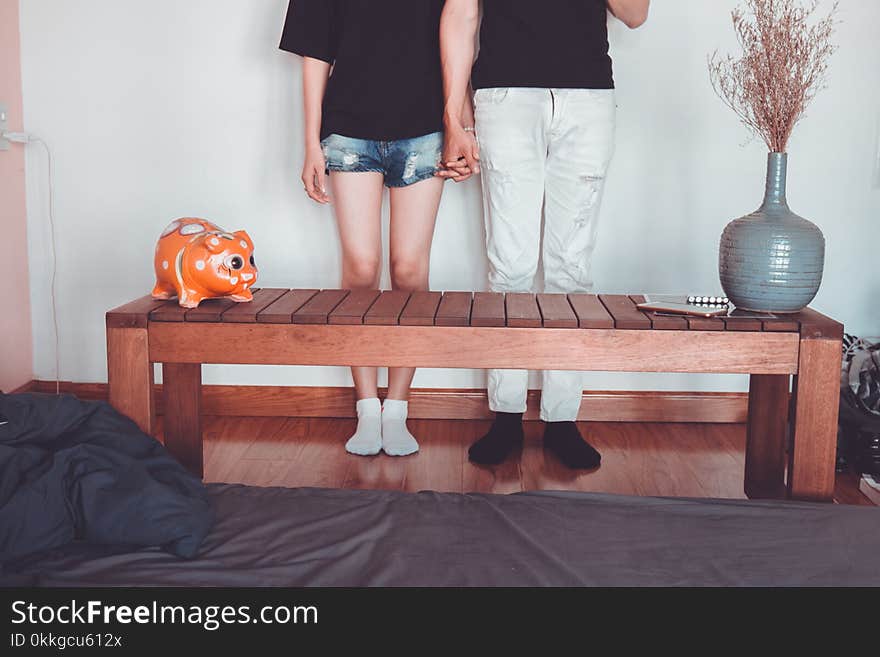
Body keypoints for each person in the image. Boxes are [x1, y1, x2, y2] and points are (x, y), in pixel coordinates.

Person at [439, 0, 650, 468]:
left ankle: (561, 417)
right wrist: (454, 118)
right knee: (509, 265)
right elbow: (460, 14)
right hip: (505, 96)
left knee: (570, 269)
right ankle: (507, 414)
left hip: (587, 98)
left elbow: (635, 14)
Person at [280, 0, 448, 457]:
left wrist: (460, 121)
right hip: (349, 129)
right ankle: (366, 406)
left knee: (409, 270)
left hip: (425, 127)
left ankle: (397, 408)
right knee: (361, 268)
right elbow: (313, 54)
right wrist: (310, 144)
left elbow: (460, 36)